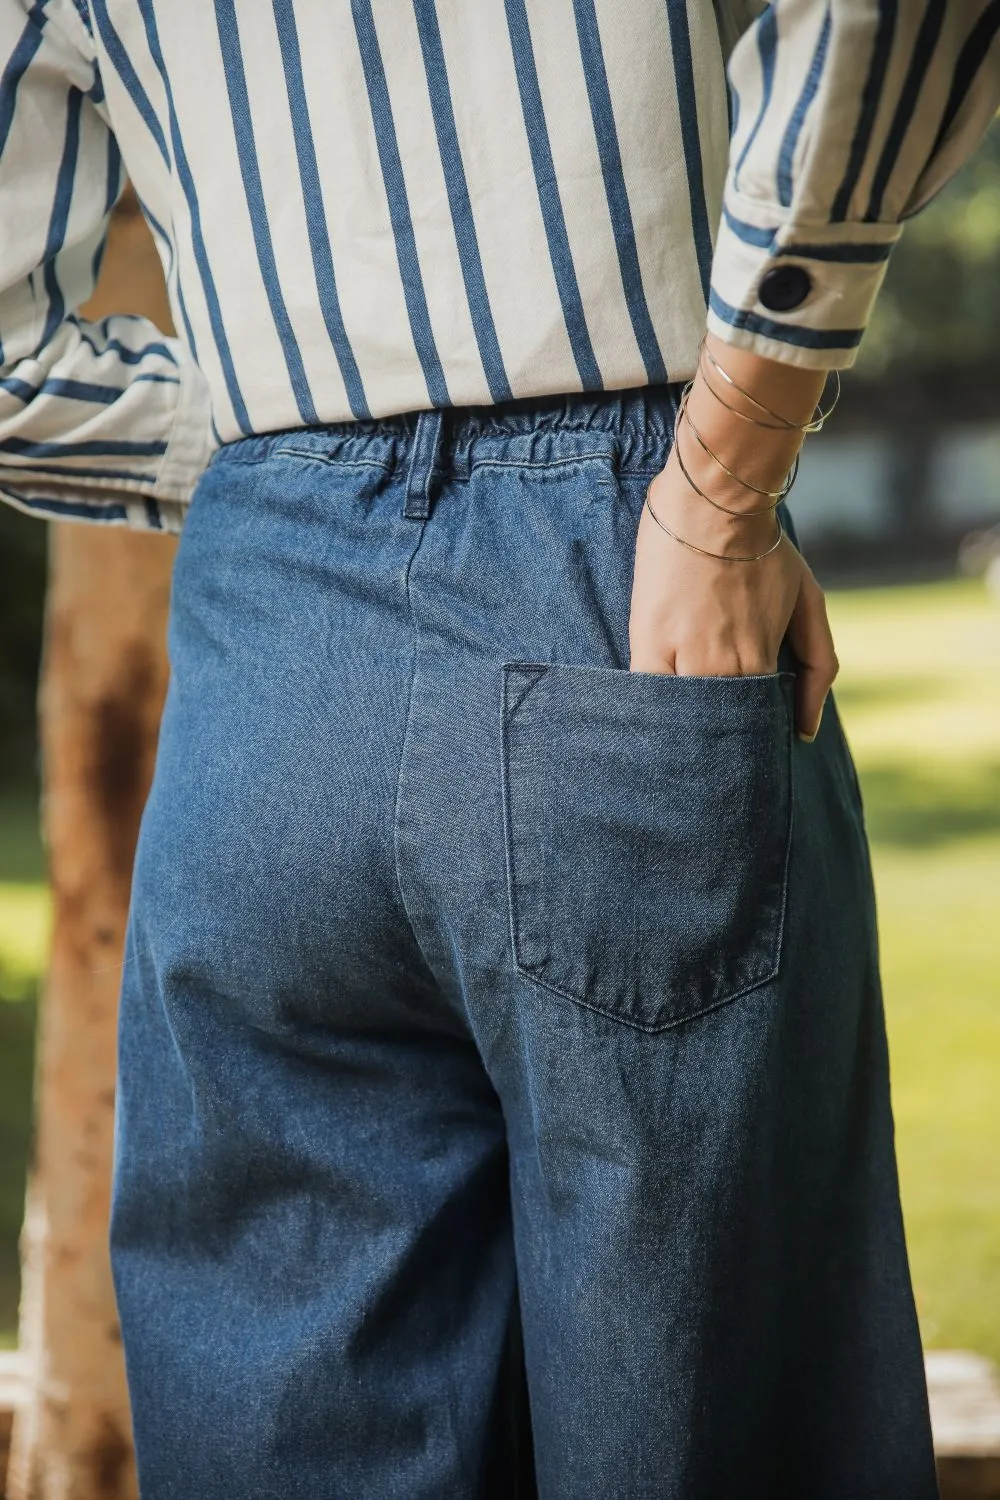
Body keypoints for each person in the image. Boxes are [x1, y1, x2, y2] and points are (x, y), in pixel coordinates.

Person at [2, 1, 999, 1495]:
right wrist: (728, 471)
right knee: (705, 1426)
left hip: (271, 629)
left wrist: (296, 467)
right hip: (625, 556)